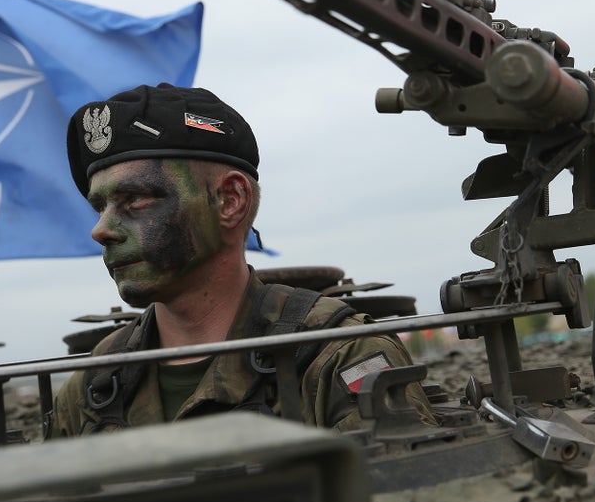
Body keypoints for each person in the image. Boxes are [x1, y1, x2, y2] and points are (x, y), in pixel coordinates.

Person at [47, 83, 434, 437]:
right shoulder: (96, 381)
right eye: (100, 207)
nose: (101, 230)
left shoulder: (335, 355)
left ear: (230, 201)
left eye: (135, 199)